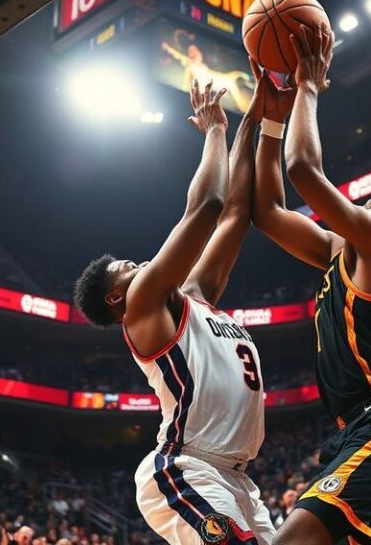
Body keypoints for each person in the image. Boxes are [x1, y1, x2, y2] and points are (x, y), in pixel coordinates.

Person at [253, 23, 371, 545]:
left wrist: (308, 88)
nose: (364, 207)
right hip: (356, 430)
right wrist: (271, 121)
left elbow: (303, 171)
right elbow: (267, 212)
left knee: (291, 539)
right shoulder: (339, 252)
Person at [74, 77, 281, 544]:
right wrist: (213, 130)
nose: (135, 261)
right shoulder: (142, 304)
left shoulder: (195, 298)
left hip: (239, 480)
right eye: (123, 267)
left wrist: (254, 121)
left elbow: (233, 215)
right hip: (187, 467)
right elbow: (207, 206)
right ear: (114, 297)